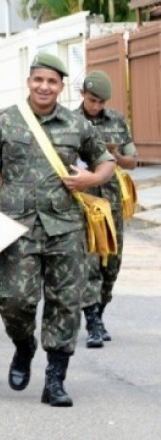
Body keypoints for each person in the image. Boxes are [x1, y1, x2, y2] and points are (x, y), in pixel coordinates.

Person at [0, 53, 115, 407]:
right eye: (38, 80)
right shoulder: (3, 122)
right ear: (28, 82)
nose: (44, 87)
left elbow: (105, 160)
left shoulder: (77, 125)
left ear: (61, 87)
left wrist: (92, 178)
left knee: (64, 303)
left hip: (65, 228)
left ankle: (55, 380)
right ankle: (24, 344)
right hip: (17, 228)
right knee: (13, 301)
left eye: (52, 82)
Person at [75, 70, 136, 347]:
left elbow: (132, 162)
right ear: (82, 95)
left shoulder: (117, 122)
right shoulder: (69, 123)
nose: (96, 106)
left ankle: (99, 311)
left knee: (112, 263)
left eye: (101, 102)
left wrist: (116, 156)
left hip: (110, 203)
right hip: (82, 204)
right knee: (90, 263)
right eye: (92, 100)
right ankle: (93, 322)